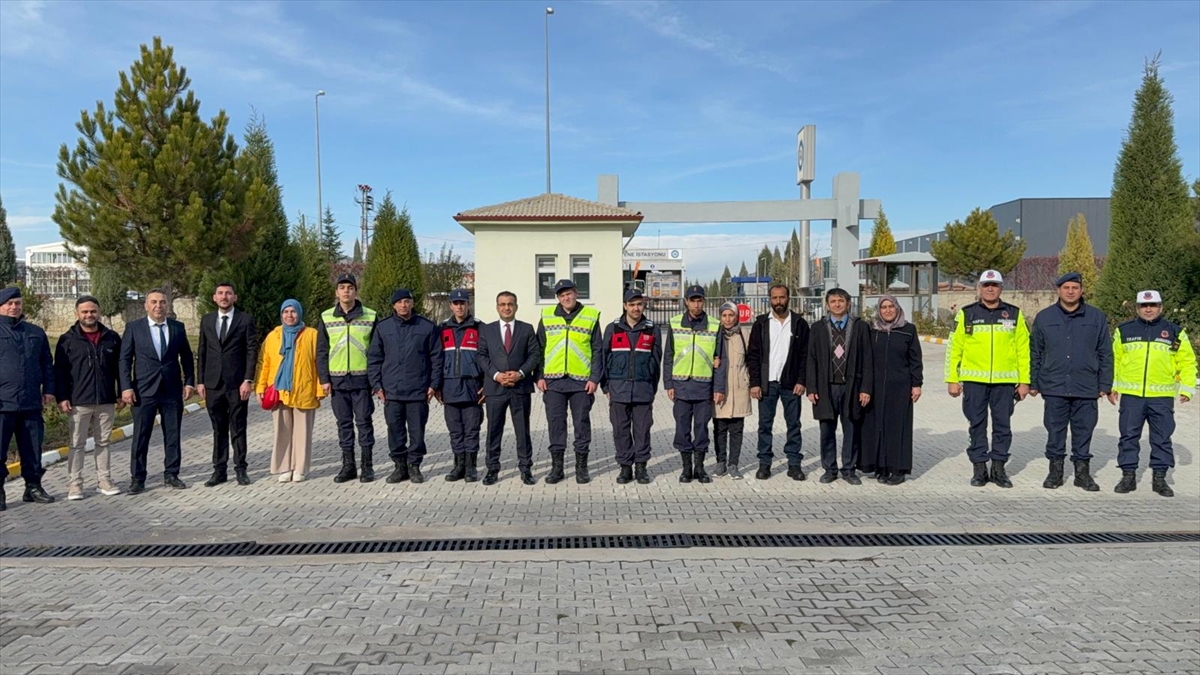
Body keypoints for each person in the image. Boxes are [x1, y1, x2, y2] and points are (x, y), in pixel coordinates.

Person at [944, 269, 1030, 489]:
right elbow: (955, 349)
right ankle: (980, 468)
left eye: (995, 285)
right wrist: (952, 379)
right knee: (977, 425)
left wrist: (1024, 381)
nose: (990, 289)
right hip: (974, 383)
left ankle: (999, 469)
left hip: (1004, 383)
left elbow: (1023, 350)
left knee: (1002, 426)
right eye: (986, 285)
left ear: (1001, 288)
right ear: (979, 288)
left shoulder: (1014, 314)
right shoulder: (966, 314)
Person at [1029, 272, 1112, 492]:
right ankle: (1055, 472)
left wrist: (1105, 385)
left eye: (1075, 287)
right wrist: (1033, 382)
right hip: (1054, 386)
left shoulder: (1096, 317)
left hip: (1086, 386)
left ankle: (1082, 474)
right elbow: (1035, 352)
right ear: (1059, 290)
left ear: (1082, 290)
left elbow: (1105, 352)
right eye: (1066, 287)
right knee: (1055, 431)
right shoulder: (1045, 317)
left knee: (1084, 431)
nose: (1070, 291)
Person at [1110, 290, 1196, 497]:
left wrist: (1187, 388)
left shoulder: (1175, 332)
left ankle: (1160, 479)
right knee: (1128, 437)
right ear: (1137, 308)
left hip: (1161, 397)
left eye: (1153, 305)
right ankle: (1128, 476)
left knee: (1162, 438)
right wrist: (1111, 386)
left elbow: (1187, 362)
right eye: (1144, 306)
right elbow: (1114, 361)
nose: (1149, 309)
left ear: (1161, 307)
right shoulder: (1124, 331)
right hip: (1132, 396)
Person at [120, 288, 195, 494]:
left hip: (171, 390)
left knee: (172, 434)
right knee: (141, 435)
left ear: (167, 305)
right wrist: (126, 387)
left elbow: (187, 357)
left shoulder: (177, 328)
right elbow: (125, 359)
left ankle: (171, 474)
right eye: (153, 302)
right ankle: (138, 478)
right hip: (143, 391)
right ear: (146, 305)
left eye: (162, 302)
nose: (158, 306)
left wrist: (189, 382)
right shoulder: (134, 328)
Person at [368, 289, 443, 485]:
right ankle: (399, 466)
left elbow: (436, 358)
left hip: (418, 390)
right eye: (399, 302)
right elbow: (374, 358)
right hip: (391, 392)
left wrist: (434, 385)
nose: (403, 305)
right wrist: (377, 386)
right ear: (394, 305)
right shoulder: (383, 328)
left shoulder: (426, 327)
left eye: (407, 301)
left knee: (417, 431)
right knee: (395, 430)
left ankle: (414, 466)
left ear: (412, 303)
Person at [54, 295, 123, 500]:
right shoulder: (67, 340)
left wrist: (121, 393)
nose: (89, 315)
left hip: (105, 400)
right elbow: (60, 371)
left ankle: (104, 480)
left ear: (98, 312)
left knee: (103, 442)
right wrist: (62, 397)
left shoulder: (111, 337)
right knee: (77, 444)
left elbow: (121, 368)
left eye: (93, 311)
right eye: (84, 311)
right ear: (77, 314)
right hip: (78, 401)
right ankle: (75, 484)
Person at [536, 279, 603, 485]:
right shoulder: (547, 316)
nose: (566, 297)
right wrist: (538, 376)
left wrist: (594, 378)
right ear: (558, 297)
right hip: (553, 381)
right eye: (562, 294)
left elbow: (598, 350)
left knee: (581, 424)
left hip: (581, 383)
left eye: (569, 293)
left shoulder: (590, 316)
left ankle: (581, 467)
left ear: (576, 293)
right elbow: (538, 348)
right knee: (556, 424)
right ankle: (557, 468)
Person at [806, 288, 873, 484]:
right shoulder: (818, 328)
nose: (837, 304)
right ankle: (829, 469)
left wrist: (866, 388)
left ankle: (849, 469)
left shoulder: (860, 327)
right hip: (826, 388)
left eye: (841, 301)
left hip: (851, 387)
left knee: (851, 429)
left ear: (848, 304)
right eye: (833, 301)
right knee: (827, 430)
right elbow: (811, 359)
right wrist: (812, 388)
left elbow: (868, 359)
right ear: (827, 305)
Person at [317, 273, 379, 483]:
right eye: (342, 287)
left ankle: (367, 466)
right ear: (337, 292)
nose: (346, 291)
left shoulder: (370, 315)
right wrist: (324, 379)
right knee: (343, 424)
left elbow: (376, 351)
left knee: (364, 422)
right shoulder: (326, 317)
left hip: (362, 380)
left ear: (355, 291)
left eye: (350, 287)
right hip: (337, 381)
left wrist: (375, 379)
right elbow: (322, 351)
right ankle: (348, 466)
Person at [745, 284, 809, 480]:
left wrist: (801, 380)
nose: (778, 302)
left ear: (788, 298)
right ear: (769, 299)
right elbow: (753, 356)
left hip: (791, 384)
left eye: (782, 297)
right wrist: (755, 383)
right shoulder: (761, 324)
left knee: (794, 425)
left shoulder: (799, 324)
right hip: (767, 383)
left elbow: (806, 356)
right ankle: (764, 463)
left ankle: (794, 464)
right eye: (775, 298)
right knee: (765, 425)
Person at [196, 282, 257, 487]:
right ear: (214, 297)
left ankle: (241, 469)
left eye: (228, 293)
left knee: (238, 427)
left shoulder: (245, 320)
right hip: (213, 384)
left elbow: (251, 351)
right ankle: (219, 471)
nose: (224, 296)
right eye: (220, 293)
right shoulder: (207, 320)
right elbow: (202, 352)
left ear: (235, 297)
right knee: (218, 428)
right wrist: (200, 381)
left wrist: (248, 380)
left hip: (236, 384)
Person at [256, 299, 324, 482]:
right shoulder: (273, 336)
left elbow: (319, 363)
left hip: (304, 388)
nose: (289, 315)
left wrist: (320, 388)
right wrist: (261, 386)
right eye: (286, 312)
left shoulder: (312, 334)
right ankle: (284, 467)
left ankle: (300, 468)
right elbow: (265, 363)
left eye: (293, 312)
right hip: (279, 391)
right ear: (281, 315)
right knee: (282, 430)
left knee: (302, 432)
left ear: (299, 313)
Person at [0, 286, 56, 510]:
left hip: (31, 402)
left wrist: (49, 390)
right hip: (2, 404)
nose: (14, 307)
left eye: (18, 303)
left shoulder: (35, 332)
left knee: (32, 448)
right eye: (9, 303)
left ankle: (33, 487)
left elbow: (46, 364)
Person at [477, 291, 540, 485]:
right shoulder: (486, 330)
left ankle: (525, 468)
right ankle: (492, 469)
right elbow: (481, 356)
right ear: (497, 307)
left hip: (520, 388)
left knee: (522, 430)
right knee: (494, 430)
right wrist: (497, 376)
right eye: (502, 304)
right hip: (495, 388)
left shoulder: (526, 329)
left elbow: (534, 355)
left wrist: (520, 373)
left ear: (516, 306)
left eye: (510, 304)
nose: (506, 307)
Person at [664, 285, 726, 484]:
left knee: (701, 428)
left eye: (700, 300)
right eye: (693, 300)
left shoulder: (715, 325)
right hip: (681, 386)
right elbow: (668, 356)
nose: (696, 304)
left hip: (703, 387)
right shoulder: (675, 323)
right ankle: (686, 469)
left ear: (704, 302)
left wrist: (718, 388)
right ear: (686, 302)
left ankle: (699, 468)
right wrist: (668, 384)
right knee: (682, 428)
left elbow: (719, 359)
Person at [859, 295, 922, 485]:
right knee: (877, 426)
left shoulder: (908, 330)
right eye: (883, 307)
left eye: (891, 306)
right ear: (879, 310)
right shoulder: (872, 330)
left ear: (897, 308)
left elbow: (915, 359)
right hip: (875, 387)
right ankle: (881, 467)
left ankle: (898, 469)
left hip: (900, 387)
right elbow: (865, 358)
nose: (887, 310)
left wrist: (916, 384)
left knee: (897, 428)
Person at [602, 289, 661, 485]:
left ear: (643, 305)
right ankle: (625, 467)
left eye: (639, 304)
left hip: (643, 389)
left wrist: (652, 388)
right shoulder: (613, 328)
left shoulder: (652, 329)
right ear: (625, 306)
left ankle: (641, 467)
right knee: (620, 430)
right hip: (618, 390)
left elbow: (656, 361)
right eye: (632, 304)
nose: (636, 308)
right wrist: (605, 386)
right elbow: (604, 358)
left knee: (642, 430)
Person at [439, 289, 485, 483]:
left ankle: (471, 467)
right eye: (455, 303)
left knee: (472, 429)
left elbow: (487, 359)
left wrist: (487, 386)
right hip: (449, 387)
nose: (459, 306)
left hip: (472, 387)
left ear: (468, 304)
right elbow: (436, 360)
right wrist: (436, 386)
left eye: (463, 303)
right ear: (450, 305)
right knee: (455, 430)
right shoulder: (441, 329)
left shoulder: (480, 328)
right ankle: (458, 465)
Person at [713, 302, 751, 480]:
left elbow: (752, 359)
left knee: (737, 428)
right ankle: (721, 461)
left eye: (731, 315)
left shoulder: (744, 334)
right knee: (720, 427)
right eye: (724, 315)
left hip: (740, 387)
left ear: (736, 317)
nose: (728, 319)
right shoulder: (715, 334)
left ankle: (733, 463)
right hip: (721, 387)